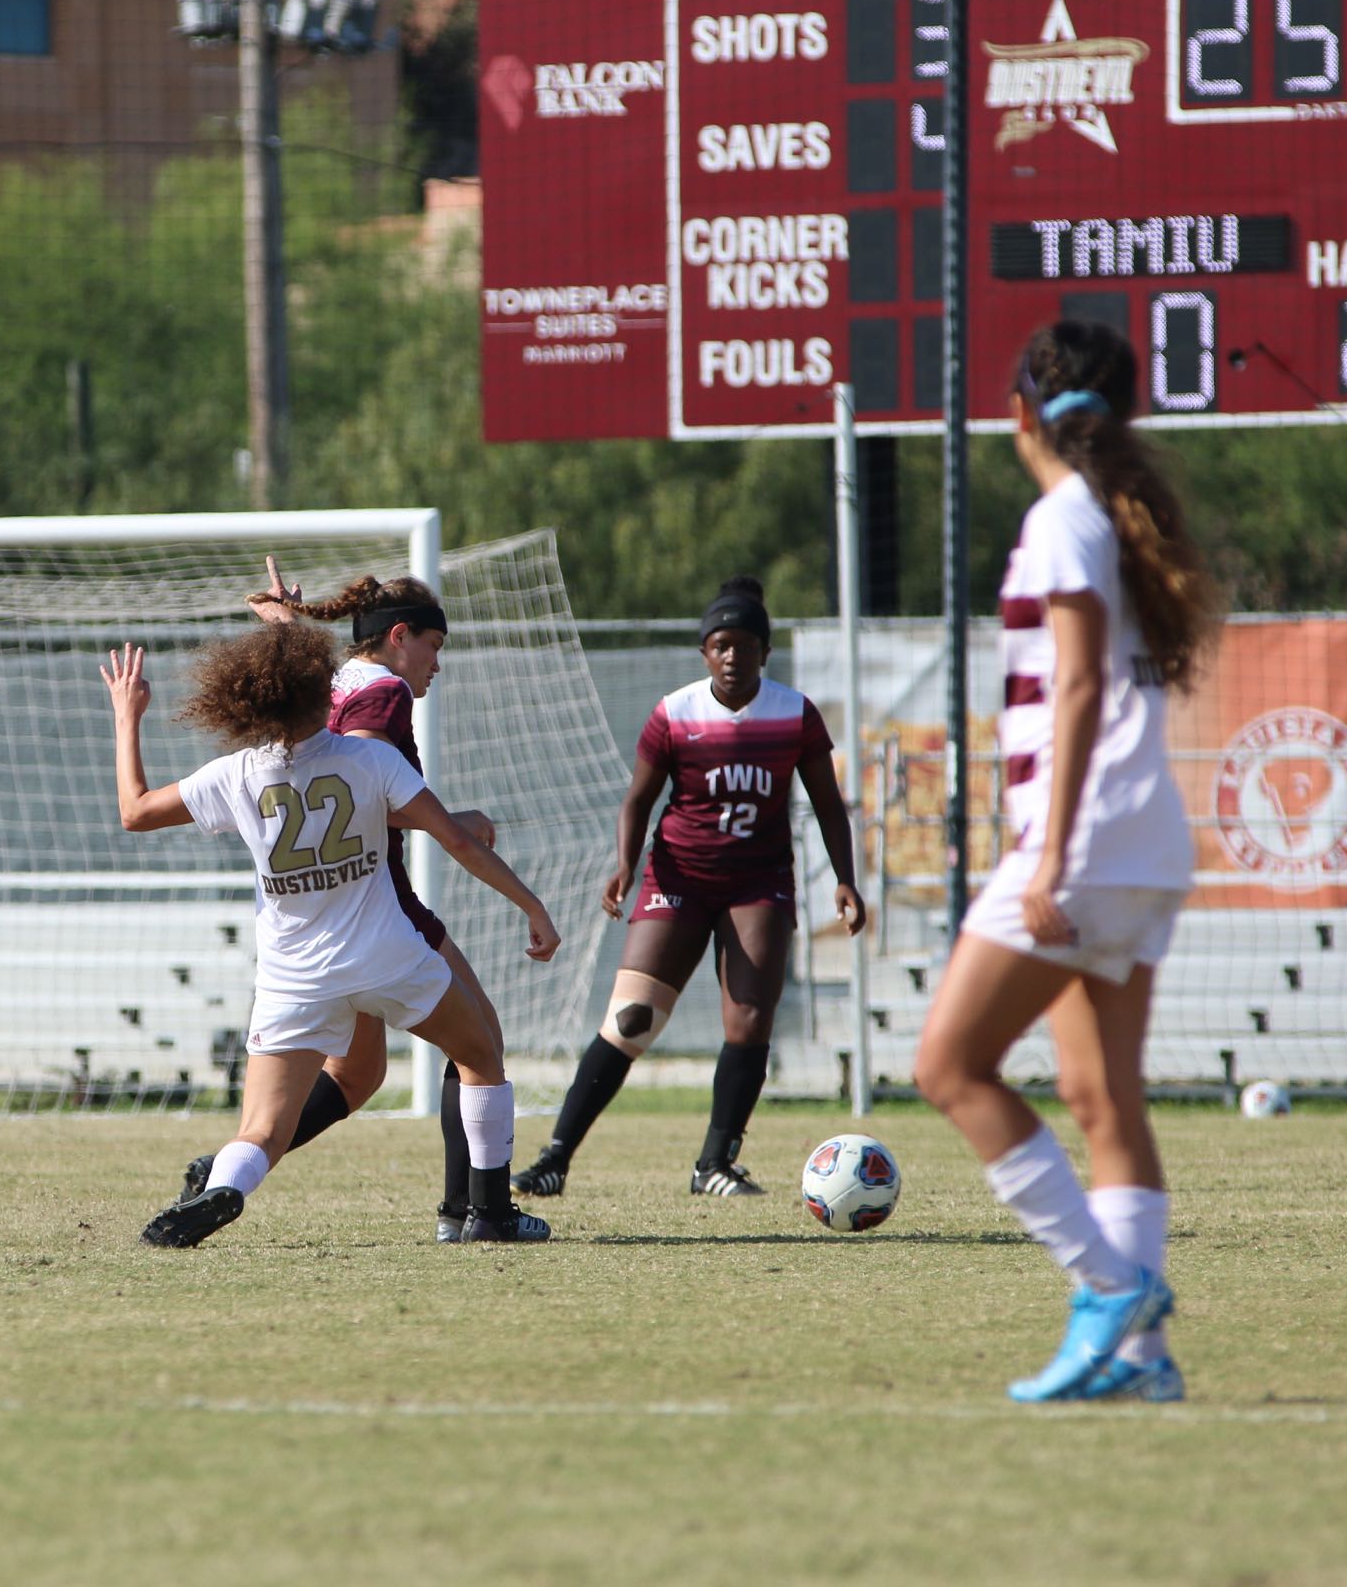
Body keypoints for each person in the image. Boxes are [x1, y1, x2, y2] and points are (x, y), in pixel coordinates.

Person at [913, 319, 1219, 1403]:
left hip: (1081, 840)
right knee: (1101, 1097)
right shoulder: (1119, 515)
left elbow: (1081, 685)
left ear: (1017, 414)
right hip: (1143, 840)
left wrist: (1043, 858)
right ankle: (1142, 1364)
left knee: (948, 1065)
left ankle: (1109, 1286)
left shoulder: (1062, 518)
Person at [104, 622, 561, 1247]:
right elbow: (455, 839)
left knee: (261, 1131)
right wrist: (531, 905)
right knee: (481, 1054)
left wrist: (127, 715)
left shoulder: (235, 774)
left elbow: (134, 811)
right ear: (324, 695)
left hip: (294, 977)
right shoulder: (371, 759)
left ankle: (227, 1187)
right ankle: (490, 1215)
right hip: (386, 956)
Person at [512, 576, 866, 1200]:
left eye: (745, 644)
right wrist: (625, 864)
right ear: (705, 652)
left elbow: (829, 805)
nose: (732, 656)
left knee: (750, 1019)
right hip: (678, 876)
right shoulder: (675, 712)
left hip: (758, 883)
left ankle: (715, 1163)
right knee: (631, 1018)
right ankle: (554, 1159)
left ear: (765, 650)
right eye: (720, 644)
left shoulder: (793, 713)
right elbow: (638, 800)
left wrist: (846, 879)